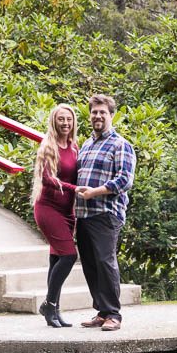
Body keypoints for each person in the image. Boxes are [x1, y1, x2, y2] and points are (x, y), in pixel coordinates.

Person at [74, 95, 136, 332]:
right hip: (84, 214)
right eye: (94, 112)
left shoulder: (121, 144)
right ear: (89, 115)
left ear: (111, 115)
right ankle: (101, 311)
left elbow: (124, 181)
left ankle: (113, 315)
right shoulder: (87, 144)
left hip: (106, 213)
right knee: (90, 264)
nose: (98, 116)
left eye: (103, 112)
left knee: (105, 262)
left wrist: (95, 192)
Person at [32, 104, 79, 327]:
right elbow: (48, 179)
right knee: (69, 256)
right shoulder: (48, 147)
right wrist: (74, 189)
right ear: (54, 121)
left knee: (56, 259)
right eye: (61, 119)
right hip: (48, 209)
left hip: (67, 211)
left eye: (68, 119)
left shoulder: (74, 147)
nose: (65, 123)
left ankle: (54, 312)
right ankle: (49, 305)